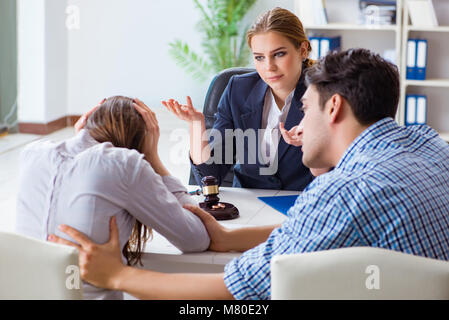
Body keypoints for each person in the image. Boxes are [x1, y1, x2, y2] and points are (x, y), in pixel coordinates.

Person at [49, 48, 449, 300]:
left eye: (306, 108)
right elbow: (332, 228)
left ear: (334, 108)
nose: (299, 121)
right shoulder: (429, 143)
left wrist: (117, 276)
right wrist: (229, 238)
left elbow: (229, 292)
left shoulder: (345, 192)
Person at [16, 96, 210, 300]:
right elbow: (196, 239)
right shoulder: (123, 164)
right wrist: (152, 158)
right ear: (143, 136)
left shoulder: (32, 153)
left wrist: (82, 138)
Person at [163, 7, 316, 191]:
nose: (269, 67)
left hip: (302, 205)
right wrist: (197, 125)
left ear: (302, 50)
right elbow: (210, 176)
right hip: (247, 209)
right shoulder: (239, 90)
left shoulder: (325, 93)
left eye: (279, 54)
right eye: (259, 57)